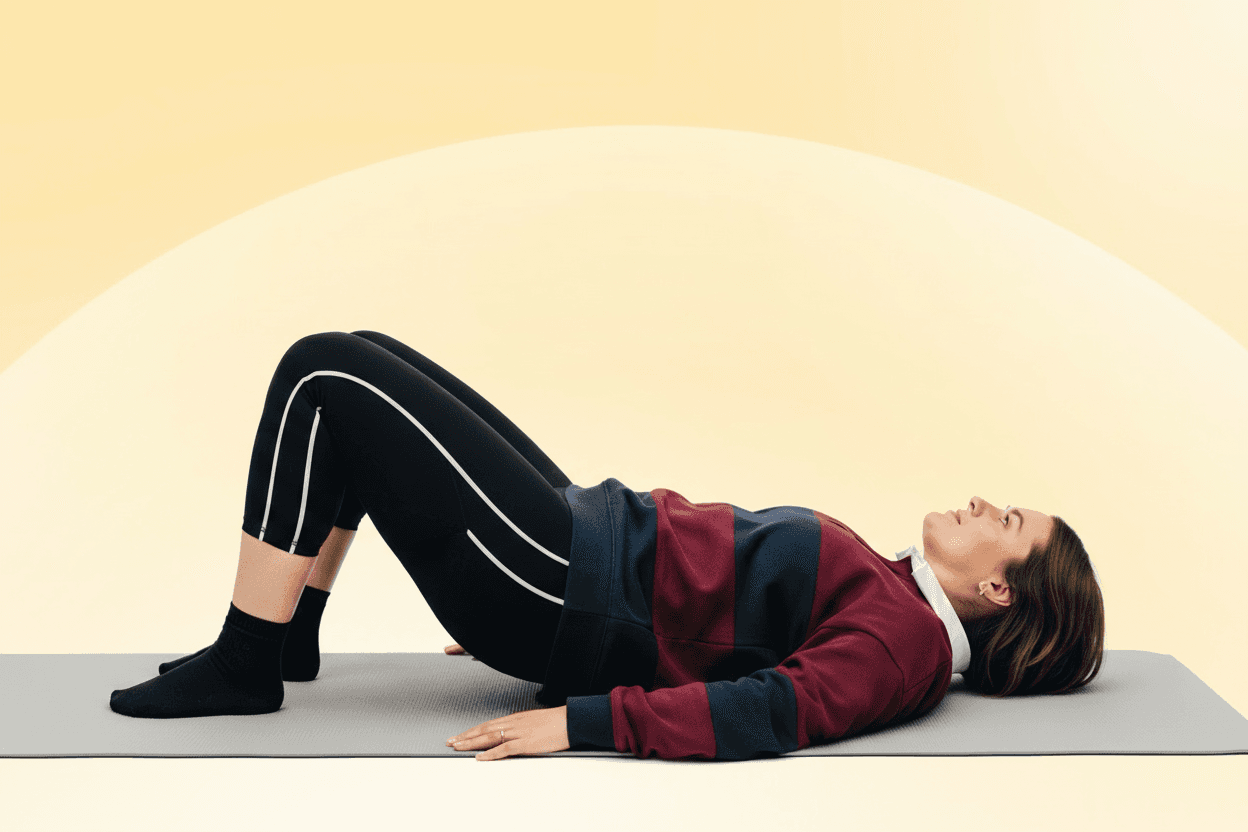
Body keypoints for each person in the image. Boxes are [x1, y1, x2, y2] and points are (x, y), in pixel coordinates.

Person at [109, 331, 1105, 761]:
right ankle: (287, 640)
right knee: (364, 355)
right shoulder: (902, 599)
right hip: (581, 547)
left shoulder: (905, 647)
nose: (985, 503)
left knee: (325, 375)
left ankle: (250, 659)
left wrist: (584, 717)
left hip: (567, 581)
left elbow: (771, 711)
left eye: (1005, 521)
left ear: (1005, 593)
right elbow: (739, 633)